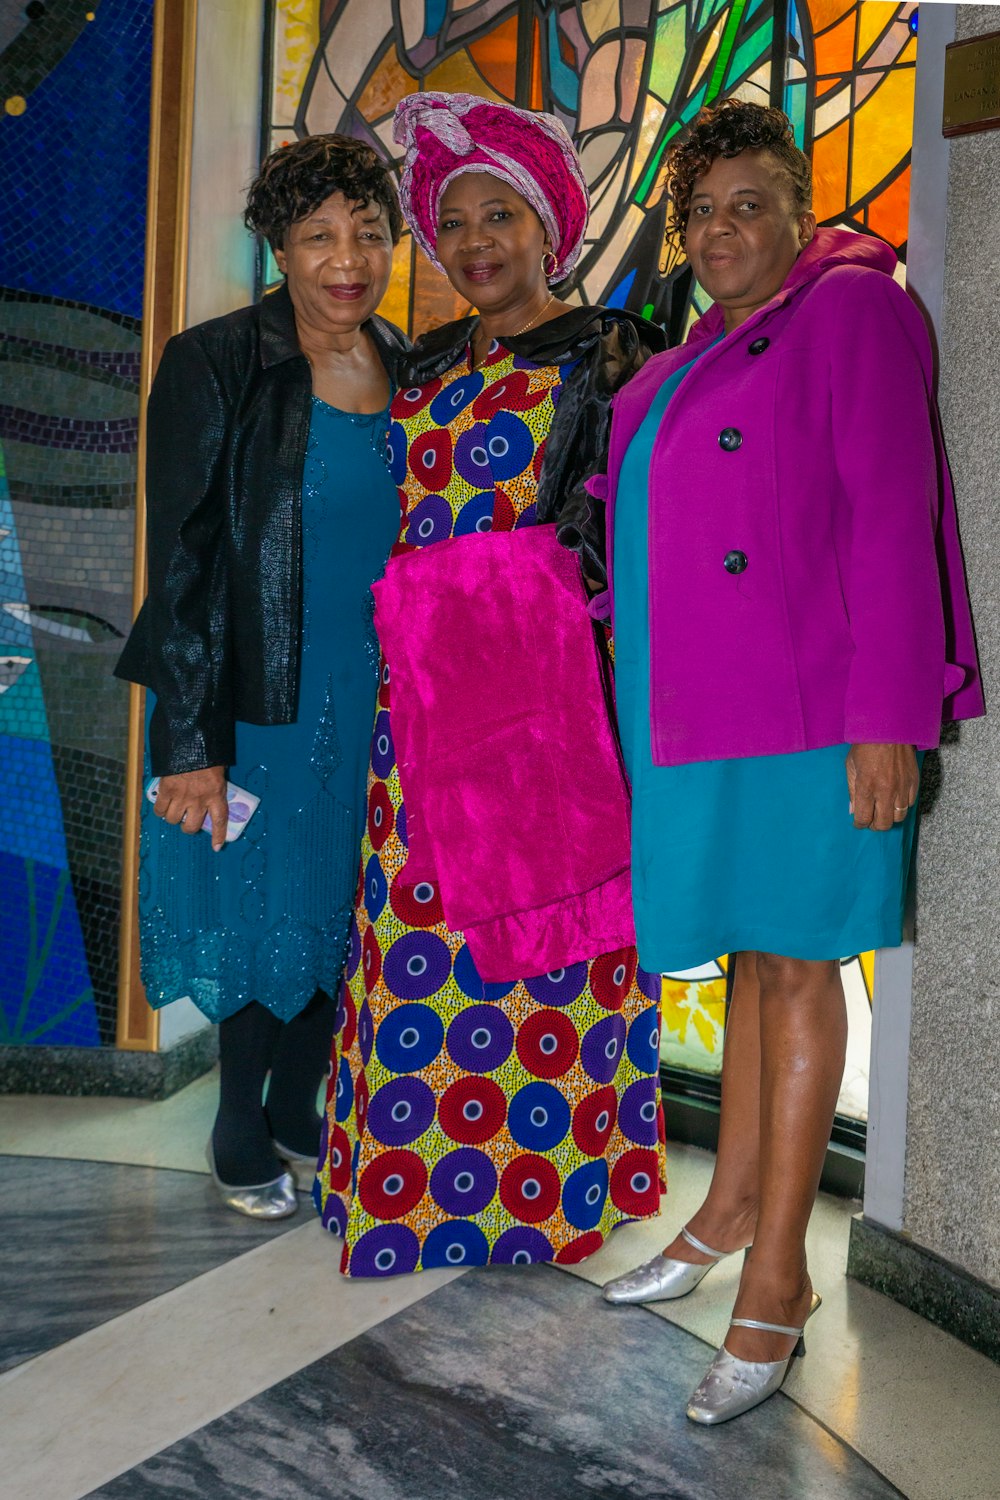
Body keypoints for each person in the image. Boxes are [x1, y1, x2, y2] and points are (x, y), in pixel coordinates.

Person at [598, 99, 983, 1422]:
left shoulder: (852, 314)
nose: (721, 231)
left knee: (802, 965)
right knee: (760, 958)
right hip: (705, 718)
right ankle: (724, 1215)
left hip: (815, 715)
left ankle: (778, 1285)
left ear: (801, 210)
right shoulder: (699, 352)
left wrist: (888, 718)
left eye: (750, 203)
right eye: (702, 212)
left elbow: (891, 515)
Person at [314, 91, 668, 1276]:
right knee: (423, 941)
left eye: (499, 214)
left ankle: (544, 1191)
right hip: (414, 712)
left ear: (549, 225)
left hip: (542, 706)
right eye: (452, 221)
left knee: (550, 945)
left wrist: (476, 599)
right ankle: (419, 1193)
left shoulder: (611, 350)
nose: (474, 242)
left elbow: (617, 529)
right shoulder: (420, 363)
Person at [115, 136, 409, 1218]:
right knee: (254, 903)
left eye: (368, 233)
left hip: (376, 696)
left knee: (338, 904)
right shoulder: (216, 360)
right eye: (319, 236)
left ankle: (299, 1108)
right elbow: (183, 558)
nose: (348, 259)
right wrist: (191, 744)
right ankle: (240, 1122)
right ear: (278, 247)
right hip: (259, 693)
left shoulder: (409, 364)